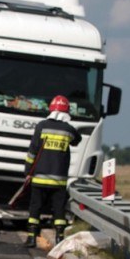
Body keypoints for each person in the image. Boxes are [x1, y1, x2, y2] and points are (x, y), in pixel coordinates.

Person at [24, 95, 82, 248]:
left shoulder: (41, 126)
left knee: (35, 208)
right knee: (58, 210)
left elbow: (33, 151)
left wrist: (28, 171)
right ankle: (59, 238)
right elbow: (77, 140)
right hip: (59, 180)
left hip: (39, 178)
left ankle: (31, 238)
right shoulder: (69, 130)